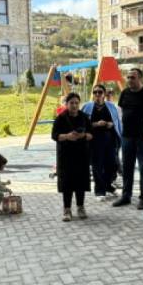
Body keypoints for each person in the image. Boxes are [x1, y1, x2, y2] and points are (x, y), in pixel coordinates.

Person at [113, 68, 143, 209]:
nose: (129, 80)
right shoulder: (124, 93)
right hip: (127, 137)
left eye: (133, 77)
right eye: (128, 77)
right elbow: (120, 112)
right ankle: (126, 196)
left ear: (140, 78)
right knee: (127, 167)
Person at [52, 92, 92, 221]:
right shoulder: (61, 118)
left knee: (80, 182)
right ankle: (67, 209)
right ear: (66, 104)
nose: (74, 105)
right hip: (66, 156)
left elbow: (92, 134)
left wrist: (83, 136)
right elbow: (54, 136)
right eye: (71, 103)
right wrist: (67, 136)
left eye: (76, 103)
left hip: (81, 155)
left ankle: (80, 207)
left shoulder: (84, 117)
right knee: (67, 183)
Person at [84, 85, 121, 200]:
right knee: (97, 166)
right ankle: (99, 191)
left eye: (100, 92)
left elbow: (117, 121)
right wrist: (96, 124)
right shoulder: (87, 107)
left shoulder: (111, 106)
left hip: (109, 139)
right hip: (95, 141)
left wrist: (111, 124)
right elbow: (83, 124)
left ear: (104, 94)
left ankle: (108, 186)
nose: (97, 94)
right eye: (95, 92)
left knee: (112, 164)